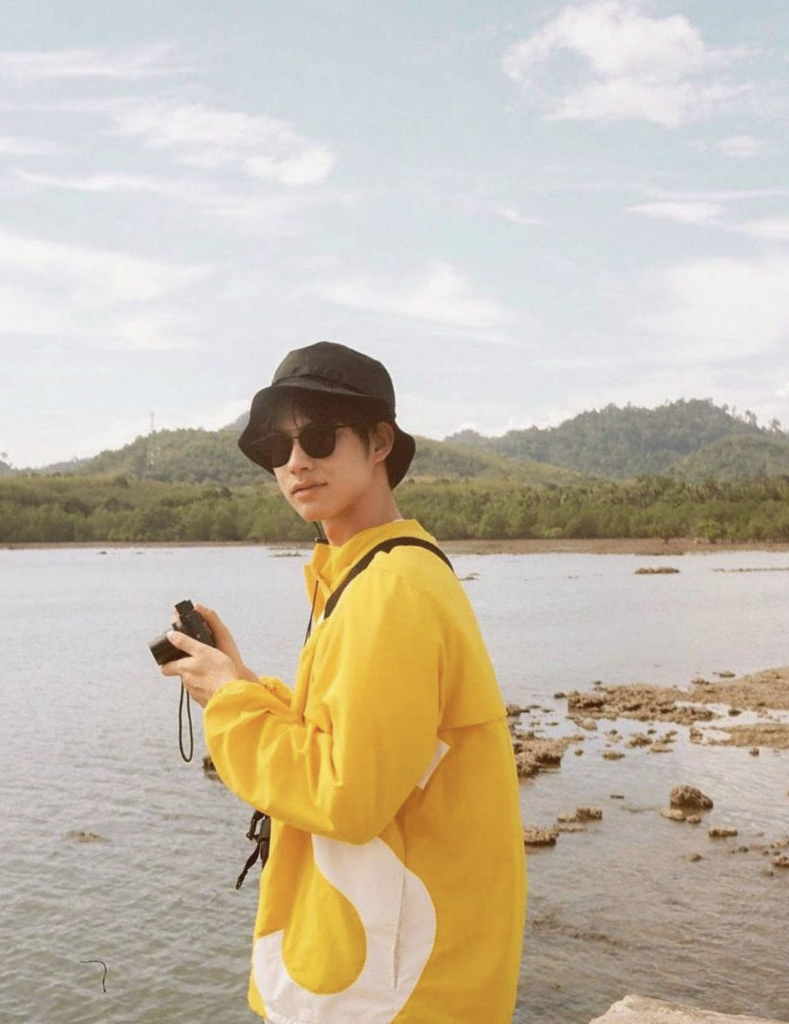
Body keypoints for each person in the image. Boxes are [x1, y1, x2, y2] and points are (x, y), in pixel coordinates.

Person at [160, 341, 526, 1024]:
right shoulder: (381, 574)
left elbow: (346, 796)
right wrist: (241, 685)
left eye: (320, 438)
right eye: (278, 447)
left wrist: (233, 707)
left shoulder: (388, 591)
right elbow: (354, 742)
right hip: (402, 974)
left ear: (379, 442)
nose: (296, 462)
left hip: (394, 994)